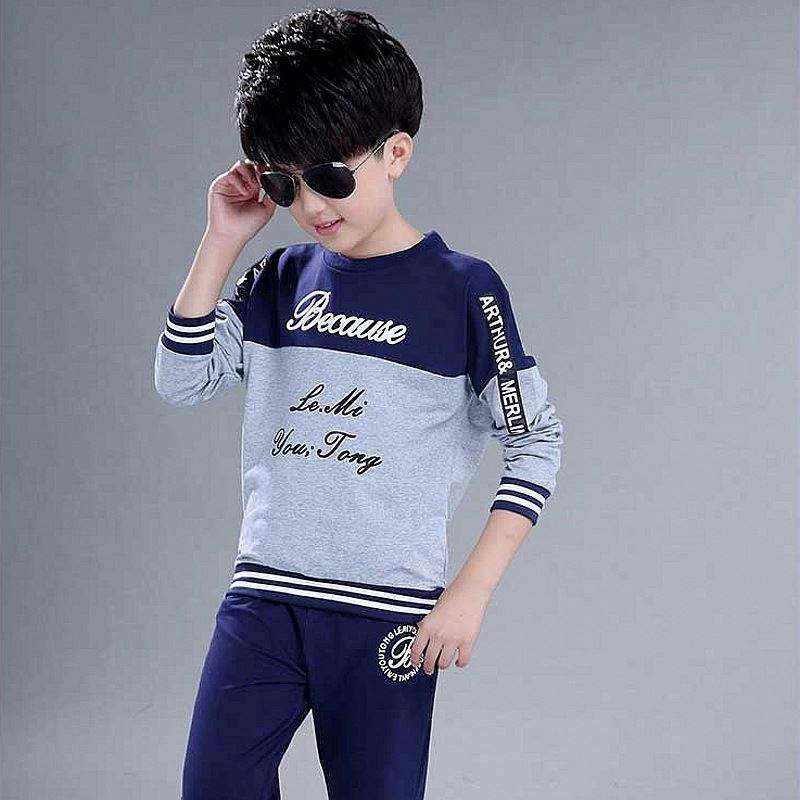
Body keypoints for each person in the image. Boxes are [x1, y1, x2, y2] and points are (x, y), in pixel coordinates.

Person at [153, 8, 564, 800]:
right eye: (286, 182)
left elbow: (536, 440)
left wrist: (470, 592)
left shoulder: (464, 292)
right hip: (265, 602)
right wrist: (222, 241)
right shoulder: (278, 280)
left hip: (388, 618)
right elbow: (181, 380)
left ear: (395, 153)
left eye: (331, 176)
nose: (311, 205)